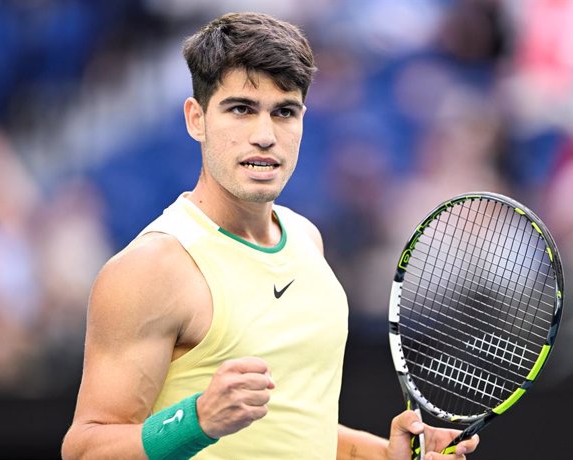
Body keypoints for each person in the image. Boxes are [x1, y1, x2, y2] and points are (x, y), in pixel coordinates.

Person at [61, 12, 480, 460]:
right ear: (196, 118)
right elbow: (85, 449)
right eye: (241, 109)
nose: (265, 136)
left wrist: (385, 454)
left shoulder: (305, 238)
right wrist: (198, 421)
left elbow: (293, 430)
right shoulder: (153, 267)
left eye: (284, 112)